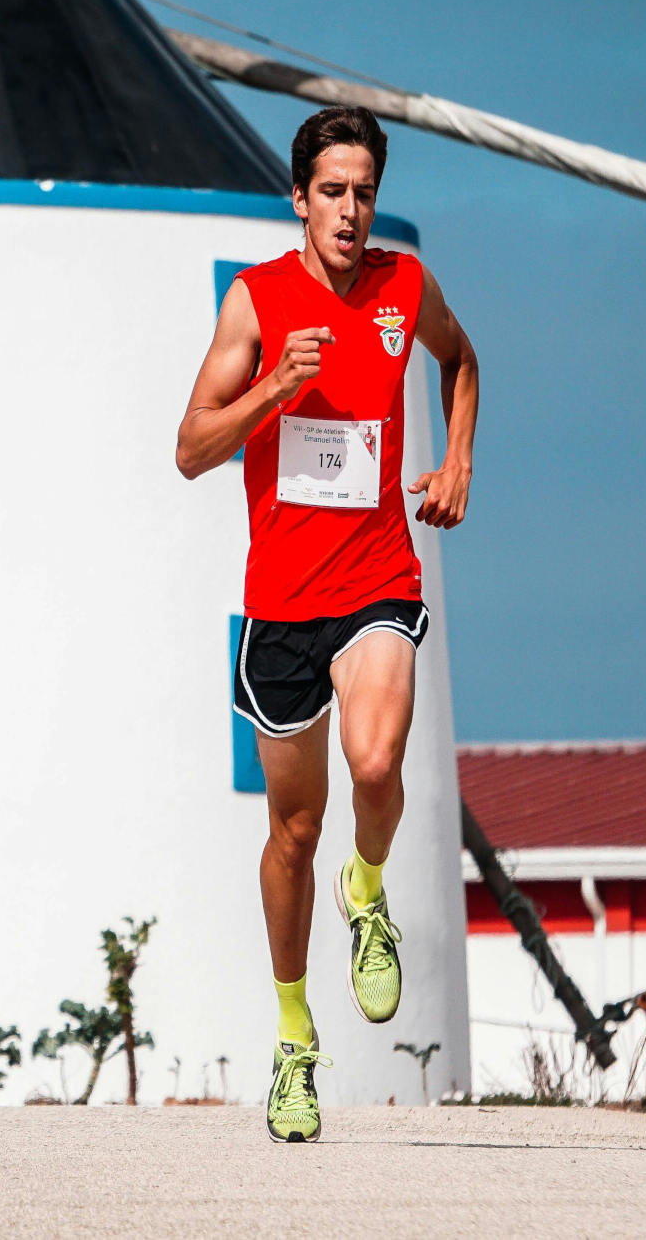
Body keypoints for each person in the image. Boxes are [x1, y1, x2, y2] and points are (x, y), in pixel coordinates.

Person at [174, 105, 481, 1142]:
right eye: (333, 193)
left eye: (364, 193)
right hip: (281, 609)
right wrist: (275, 384)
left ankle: (369, 886)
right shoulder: (255, 301)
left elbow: (460, 359)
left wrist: (456, 460)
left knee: (378, 761)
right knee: (292, 832)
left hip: (378, 580)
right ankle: (295, 1038)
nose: (351, 212)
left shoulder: (403, 286)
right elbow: (190, 448)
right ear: (299, 200)